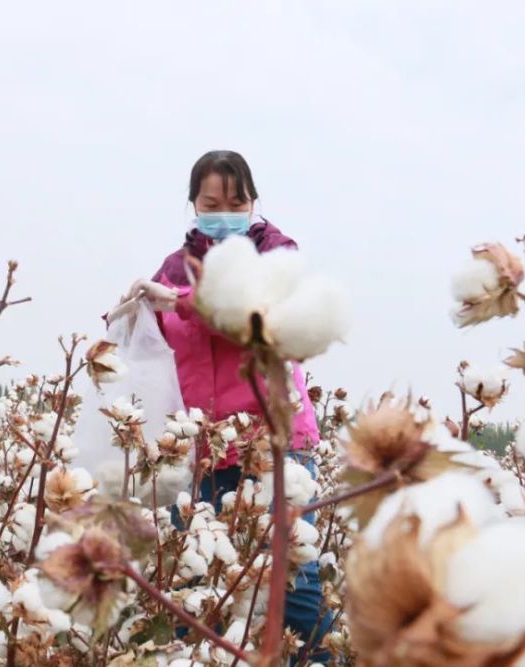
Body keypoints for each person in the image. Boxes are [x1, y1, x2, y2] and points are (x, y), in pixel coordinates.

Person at [108, 150, 332, 662]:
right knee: (194, 584)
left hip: (273, 444)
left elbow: (249, 313)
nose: (224, 214)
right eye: (211, 204)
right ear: (193, 204)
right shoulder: (174, 268)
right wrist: (128, 313)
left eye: (236, 203)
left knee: (293, 582)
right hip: (203, 451)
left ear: (254, 203)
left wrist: (178, 301)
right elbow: (149, 338)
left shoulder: (276, 254)